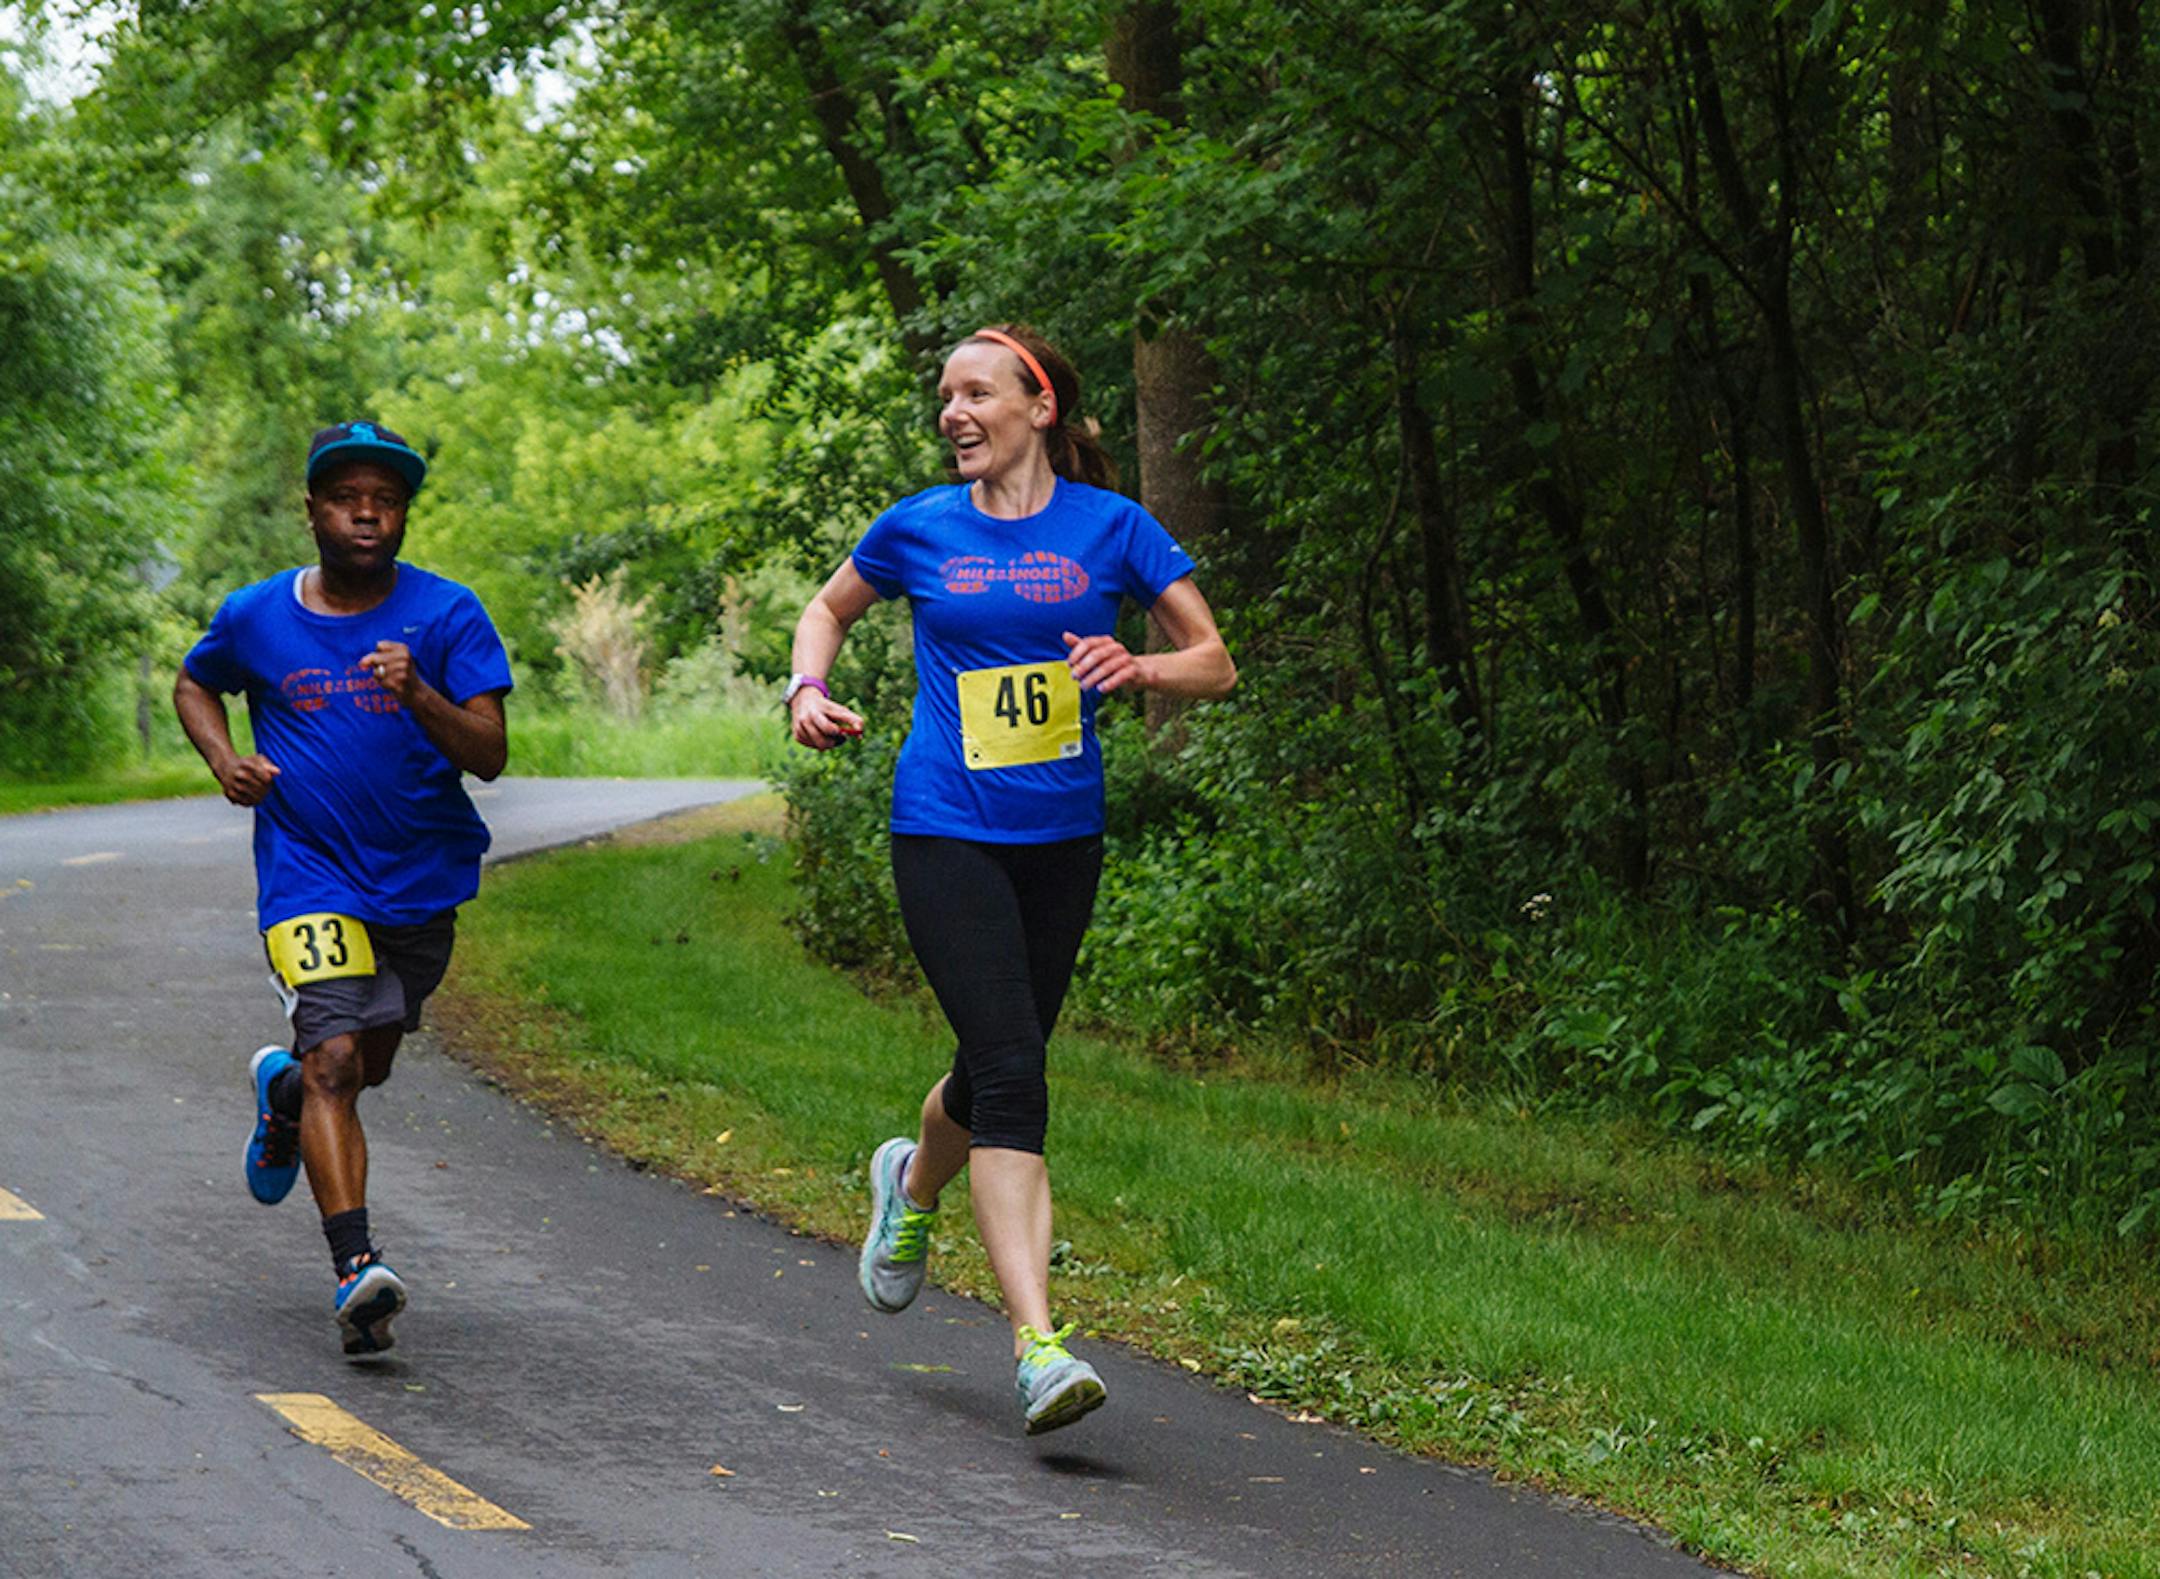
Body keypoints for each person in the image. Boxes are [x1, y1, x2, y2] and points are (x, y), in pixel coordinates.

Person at [788, 325, 1236, 1434]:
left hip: (1061, 839)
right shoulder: (917, 529)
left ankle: (914, 1183)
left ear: (1038, 406)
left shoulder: (1113, 529)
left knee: (997, 1065)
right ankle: (1039, 1345)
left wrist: (1138, 664)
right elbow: (829, 607)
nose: (954, 412)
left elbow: (1214, 661)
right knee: (1015, 1075)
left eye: (976, 392)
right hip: (944, 826)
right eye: (945, 396)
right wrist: (805, 686)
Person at [174, 421, 512, 1358]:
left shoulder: (448, 616)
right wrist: (223, 759)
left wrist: (420, 696)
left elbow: (489, 755)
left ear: (402, 514)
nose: (368, 512)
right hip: (307, 872)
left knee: (365, 1064)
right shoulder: (255, 614)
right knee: (335, 1061)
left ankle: (281, 1096)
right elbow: (195, 683)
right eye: (347, 496)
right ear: (314, 508)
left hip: (421, 877)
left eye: (387, 499)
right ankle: (355, 1268)